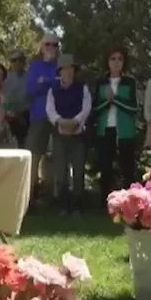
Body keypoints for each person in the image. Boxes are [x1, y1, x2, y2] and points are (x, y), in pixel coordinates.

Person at [90, 47, 141, 196]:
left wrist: (115, 99)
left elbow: (133, 108)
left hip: (125, 131)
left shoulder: (129, 82)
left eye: (120, 59)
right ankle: (105, 203)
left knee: (127, 168)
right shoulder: (101, 82)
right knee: (105, 167)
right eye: (113, 59)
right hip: (105, 130)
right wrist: (107, 102)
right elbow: (95, 109)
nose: (116, 62)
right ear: (107, 62)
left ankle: (131, 201)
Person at [45, 55, 91, 215]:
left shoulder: (82, 87)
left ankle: (78, 205)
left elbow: (86, 107)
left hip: (78, 134)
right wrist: (60, 122)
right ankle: (62, 205)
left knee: (78, 171)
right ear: (60, 71)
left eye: (71, 68)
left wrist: (76, 121)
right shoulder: (53, 89)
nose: (68, 72)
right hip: (59, 134)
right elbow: (50, 110)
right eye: (65, 69)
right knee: (60, 171)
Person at [24, 34, 60, 192]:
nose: (50, 48)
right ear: (41, 47)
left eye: (54, 45)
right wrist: (50, 82)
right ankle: (28, 198)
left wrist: (43, 82)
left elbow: (62, 87)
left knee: (57, 158)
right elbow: (30, 90)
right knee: (34, 157)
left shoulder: (61, 65)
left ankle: (55, 195)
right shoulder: (34, 66)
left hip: (59, 116)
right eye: (47, 44)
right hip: (38, 116)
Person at [2, 49, 30, 149]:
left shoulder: (31, 76)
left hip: (29, 117)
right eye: (14, 60)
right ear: (10, 62)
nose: (17, 62)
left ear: (24, 61)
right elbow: (5, 103)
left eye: (20, 59)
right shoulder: (6, 80)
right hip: (12, 119)